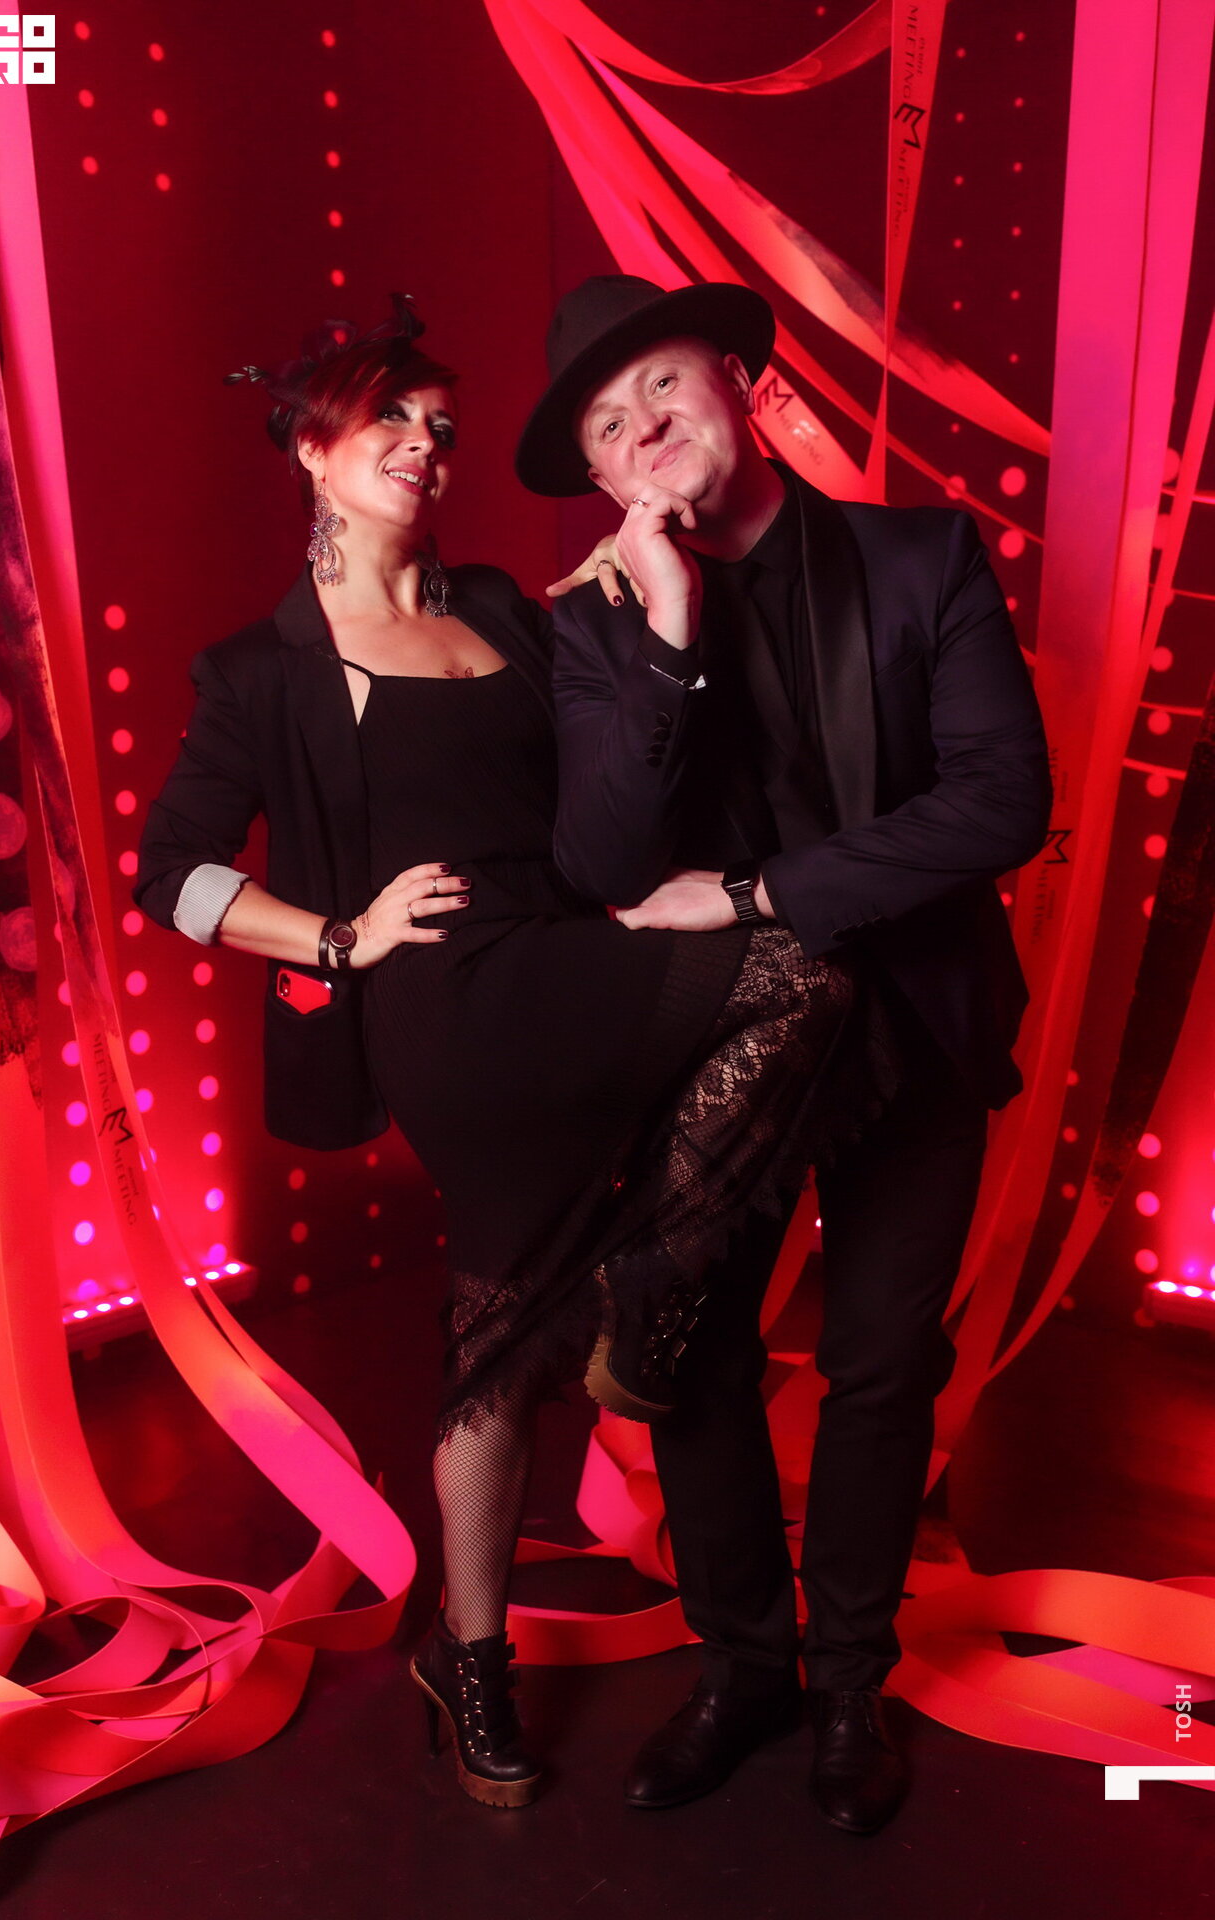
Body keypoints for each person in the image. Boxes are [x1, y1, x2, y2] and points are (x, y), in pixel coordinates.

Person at [133, 298, 896, 1812]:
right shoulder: (262, 670)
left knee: (797, 980)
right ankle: (478, 1653)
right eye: (391, 421)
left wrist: (636, 616)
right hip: (445, 1005)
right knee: (495, 1331)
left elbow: (609, 778)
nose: (426, 447)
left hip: (569, 948)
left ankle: (639, 1295)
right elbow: (173, 875)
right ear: (310, 448)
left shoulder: (500, 603)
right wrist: (337, 936)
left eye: (441, 427)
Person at [515, 275, 1053, 1831]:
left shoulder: (921, 555)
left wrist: (758, 891)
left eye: (662, 387)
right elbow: (606, 861)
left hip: (913, 1025)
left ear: (741, 384)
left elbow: (999, 803)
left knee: (882, 1363)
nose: (642, 429)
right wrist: (667, 635)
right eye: (607, 426)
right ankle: (743, 1666)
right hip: (720, 1050)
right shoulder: (594, 626)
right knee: (698, 1362)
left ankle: (847, 1688)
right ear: (599, 477)